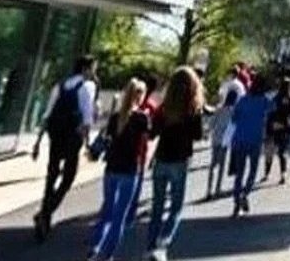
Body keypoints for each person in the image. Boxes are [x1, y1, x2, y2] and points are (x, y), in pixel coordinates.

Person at [32, 55, 98, 241]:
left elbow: (48, 113)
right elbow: (87, 118)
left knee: (51, 174)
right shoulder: (86, 87)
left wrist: (38, 141)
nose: (94, 72)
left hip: (55, 133)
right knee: (68, 176)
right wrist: (87, 143)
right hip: (72, 136)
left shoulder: (60, 85)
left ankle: (45, 215)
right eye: (93, 68)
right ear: (85, 69)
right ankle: (46, 212)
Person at [87, 78, 150, 261]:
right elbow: (145, 143)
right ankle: (107, 255)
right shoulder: (142, 118)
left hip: (112, 167)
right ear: (140, 96)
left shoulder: (115, 117)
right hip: (130, 169)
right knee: (119, 216)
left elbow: (109, 139)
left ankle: (95, 247)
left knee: (107, 211)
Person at [146, 67, 204, 260]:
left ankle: (150, 247)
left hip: (162, 157)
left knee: (157, 207)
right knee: (176, 207)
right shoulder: (193, 108)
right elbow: (197, 135)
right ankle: (162, 243)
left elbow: (153, 131)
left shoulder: (164, 107)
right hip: (180, 159)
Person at [229, 75, 272, 216]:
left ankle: (236, 202)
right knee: (252, 171)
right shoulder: (264, 101)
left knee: (239, 173)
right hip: (255, 140)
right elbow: (274, 108)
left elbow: (234, 119)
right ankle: (245, 193)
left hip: (239, 139)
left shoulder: (242, 100)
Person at [125, 75, 160, 228]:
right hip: (141, 151)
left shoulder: (130, 104)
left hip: (126, 148)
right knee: (135, 185)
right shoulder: (151, 107)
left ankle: (121, 213)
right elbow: (152, 133)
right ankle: (129, 216)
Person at [206, 69, 243, 199]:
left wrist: (209, 132)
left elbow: (212, 124)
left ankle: (208, 189)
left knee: (212, 164)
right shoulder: (234, 112)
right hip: (225, 140)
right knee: (221, 165)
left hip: (215, 138)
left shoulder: (219, 109)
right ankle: (217, 188)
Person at [263, 76, 290, 185]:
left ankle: (267, 174)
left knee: (269, 153)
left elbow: (269, 114)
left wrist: (269, 127)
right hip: (285, 129)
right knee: (282, 152)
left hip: (274, 128)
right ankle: (283, 174)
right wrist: (288, 126)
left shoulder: (275, 98)